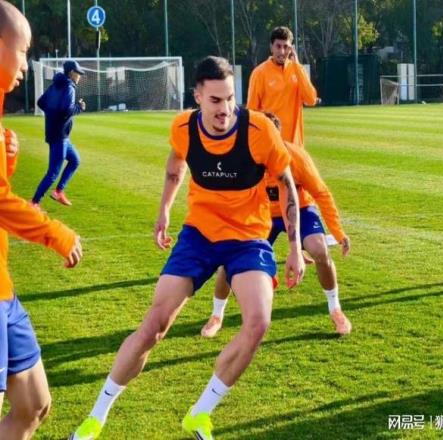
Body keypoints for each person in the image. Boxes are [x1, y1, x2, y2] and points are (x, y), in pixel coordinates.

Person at [69, 56, 304, 440]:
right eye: (215, 100)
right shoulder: (182, 128)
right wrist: (164, 210)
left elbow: (288, 183)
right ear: (197, 96)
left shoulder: (259, 129)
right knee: (154, 325)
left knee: (258, 321)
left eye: (230, 98)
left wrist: (293, 246)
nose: (225, 109)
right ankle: (95, 418)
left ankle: (200, 413)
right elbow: (175, 164)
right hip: (199, 235)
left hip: (247, 238)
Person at [0, 2, 83, 439]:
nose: (26, 63)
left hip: (4, 290)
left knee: (34, 405)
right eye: (23, 49)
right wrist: (55, 232)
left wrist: (8, 160)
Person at [201, 113, 352, 339]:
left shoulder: (296, 156)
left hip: (300, 209)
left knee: (320, 250)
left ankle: (335, 309)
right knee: (230, 258)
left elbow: (321, 193)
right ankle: (216, 315)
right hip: (262, 213)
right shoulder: (244, 159)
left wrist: (338, 232)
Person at [247, 26, 318, 146]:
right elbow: (251, 112)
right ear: (271, 47)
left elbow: (311, 100)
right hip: (270, 143)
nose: (282, 52)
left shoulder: (298, 69)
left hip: (295, 146)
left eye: (286, 47)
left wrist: (297, 66)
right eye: (278, 46)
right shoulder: (259, 73)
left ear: (291, 49)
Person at [32, 59, 86, 207]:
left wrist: (52, 115)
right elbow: (66, 111)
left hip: (59, 135)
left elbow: (41, 102)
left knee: (75, 160)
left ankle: (58, 192)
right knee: (53, 173)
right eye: (78, 73)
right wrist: (79, 107)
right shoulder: (69, 88)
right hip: (59, 136)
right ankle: (34, 203)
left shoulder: (55, 84)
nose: (79, 76)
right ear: (71, 73)